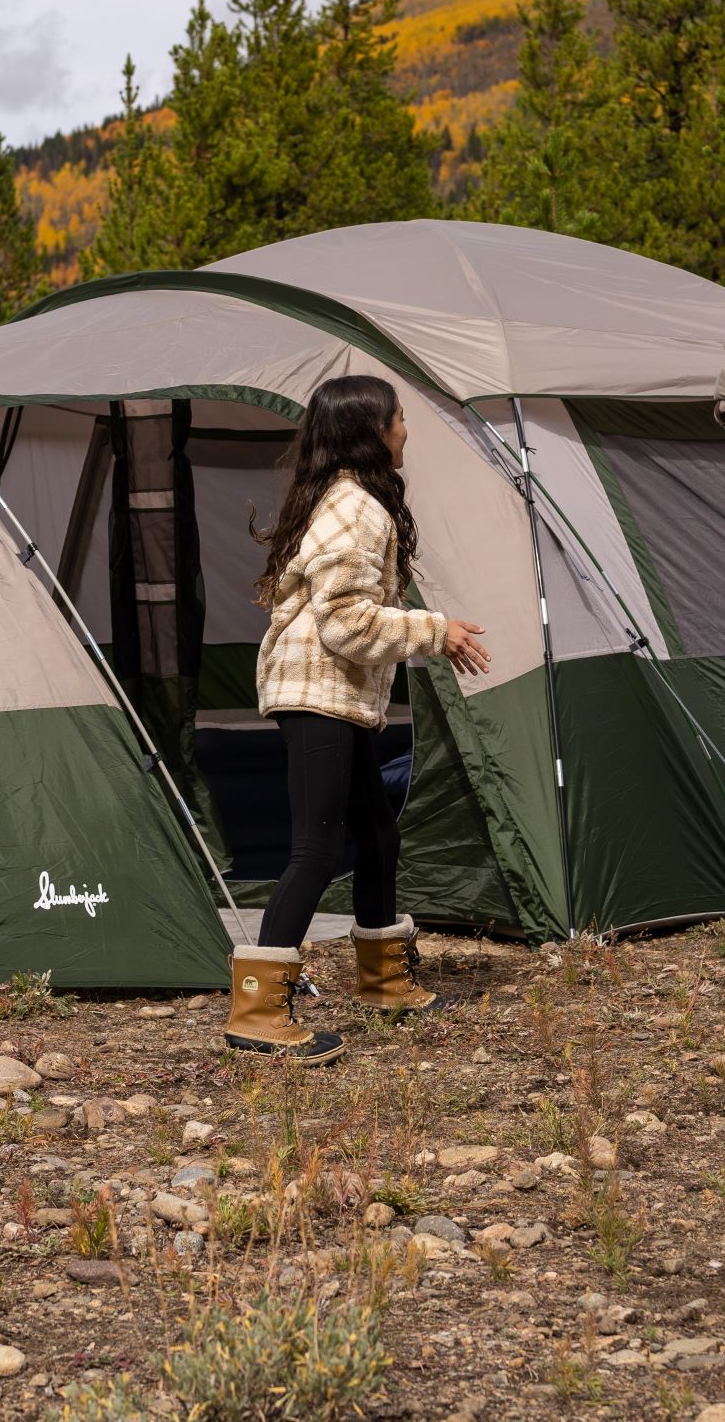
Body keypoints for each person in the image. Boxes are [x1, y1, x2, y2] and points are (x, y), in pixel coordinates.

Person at [228, 374, 492, 1063]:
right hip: (316, 692)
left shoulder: (348, 500)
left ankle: (382, 982)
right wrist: (437, 632)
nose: (406, 430)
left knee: (378, 836)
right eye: (400, 419)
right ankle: (257, 1011)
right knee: (315, 852)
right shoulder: (356, 509)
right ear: (373, 432)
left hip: (333, 695)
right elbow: (344, 623)